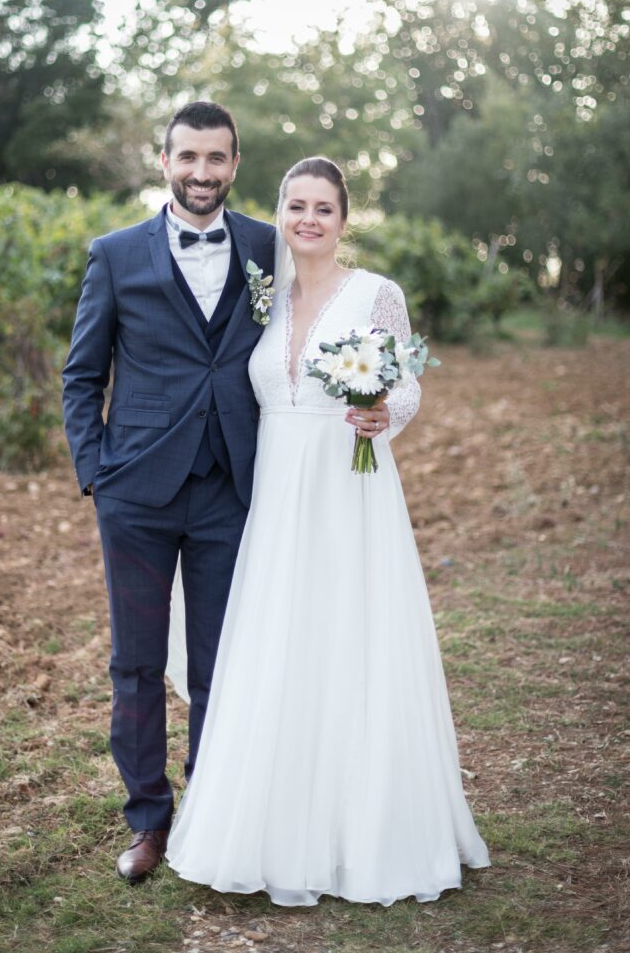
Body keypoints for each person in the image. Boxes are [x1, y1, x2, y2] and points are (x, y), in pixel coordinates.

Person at [61, 106, 379, 883]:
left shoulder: (269, 246)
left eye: (217, 159)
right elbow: (81, 374)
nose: (202, 172)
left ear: (236, 165)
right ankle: (147, 821)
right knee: (135, 664)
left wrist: (379, 397)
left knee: (222, 662)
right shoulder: (113, 255)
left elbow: (329, 313)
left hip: (232, 489)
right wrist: (95, 470)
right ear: (164, 160)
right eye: (188, 157)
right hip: (134, 491)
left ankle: (212, 809)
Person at [165, 157, 491, 906]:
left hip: (349, 490)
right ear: (279, 213)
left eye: (324, 208)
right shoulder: (260, 297)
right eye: (296, 206)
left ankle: (367, 834)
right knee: (280, 642)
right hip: (275, 497)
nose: (309, 219)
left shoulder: (376, 294)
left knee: (352, 637)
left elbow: (404, 380)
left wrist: (388, 411)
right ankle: (270, 828)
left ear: (344, 220)